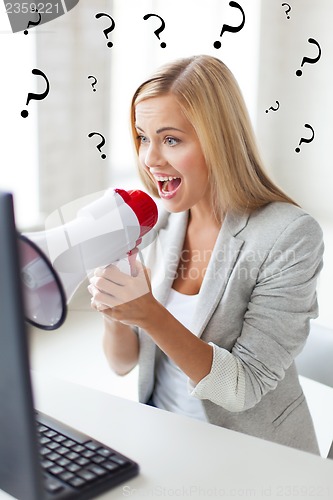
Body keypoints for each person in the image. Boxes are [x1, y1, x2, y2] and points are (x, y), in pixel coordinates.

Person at [88, 55, 324, 454]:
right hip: (161, 441)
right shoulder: (157, 223)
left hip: (249, 457)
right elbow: (122, 363)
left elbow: (243, 386)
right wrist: (115, 312)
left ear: (220, 140)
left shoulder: (290, 235)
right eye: (143, 137)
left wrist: (148, 313)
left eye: (171, 139)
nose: (149, 159)